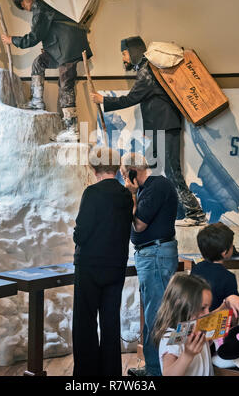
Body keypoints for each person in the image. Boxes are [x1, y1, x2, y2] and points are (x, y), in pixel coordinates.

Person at [90, 35, 207, 226]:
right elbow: (154, 104)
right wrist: (149, 130)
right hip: (159, 129)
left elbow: (131, 99)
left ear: (134, 51)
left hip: (165, 128)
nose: (124, 58)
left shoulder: (146, 71)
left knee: (172, 170)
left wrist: (103, 100)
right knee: (154, 167)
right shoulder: (147, 70)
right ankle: (177, 212)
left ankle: (195, 214)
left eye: (125, 53)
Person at [72, 146, 133, 376]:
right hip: (116, 265)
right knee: (110, 323)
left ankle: (86, 376)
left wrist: (76, 235)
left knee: (85, 323)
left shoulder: (92, 193)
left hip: (90, 265)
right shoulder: (126, 195)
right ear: (117, 168)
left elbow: (82, 233)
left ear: (94, 167)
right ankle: (110, 375)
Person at [1, 0, 92, 142]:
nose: (26, 9)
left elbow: (35, 36)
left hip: (67, 48)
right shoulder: (45, 6)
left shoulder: (40, 7)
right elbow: (50, 31)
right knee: (39, 63)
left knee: (66, 84)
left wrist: (13, 40)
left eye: (24, 5)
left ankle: (72, 129)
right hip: (60, 47)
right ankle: (37, 101)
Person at [120, 152, 178, 376]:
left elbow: (139, 226)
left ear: (133, 172)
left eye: (125, 175)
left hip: (155, 254)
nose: (125, 181)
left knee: (156, 316)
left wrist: (132, 196)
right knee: (152, 314)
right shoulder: (151, 188)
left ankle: (158, 372)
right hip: (152, 254)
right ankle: (154, 367)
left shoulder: (155, 187)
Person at [152, 273, 214, 376]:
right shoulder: (178, 333)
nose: (208, 313)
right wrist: (187, 355)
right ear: (180, 305)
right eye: (203, 308)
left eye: (209, 308)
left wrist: (226, 303)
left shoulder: (194, 325)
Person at [191, 222, 239, 321]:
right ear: (225, 252)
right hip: (216, 324)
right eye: (232, 246)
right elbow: (233, 312)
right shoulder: (228, 277)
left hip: (195, 320)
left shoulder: (196, 268)